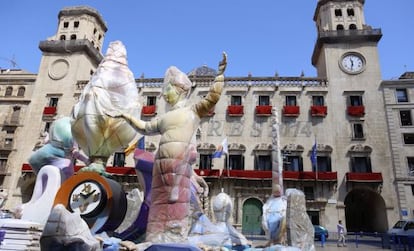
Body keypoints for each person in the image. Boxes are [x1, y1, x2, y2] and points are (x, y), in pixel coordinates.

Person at [108, 52, 227, 243]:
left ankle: (173, 238)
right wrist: (126, 116)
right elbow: (145, 127)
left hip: (179, 168)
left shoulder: (193, 111)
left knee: (175, 203)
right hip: (159, 170)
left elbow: (212, 98)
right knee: (157, 204)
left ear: (179, 89)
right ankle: (154, 237)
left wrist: (220, 75)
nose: (164, 94)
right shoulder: (164, 118)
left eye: (168, 89)